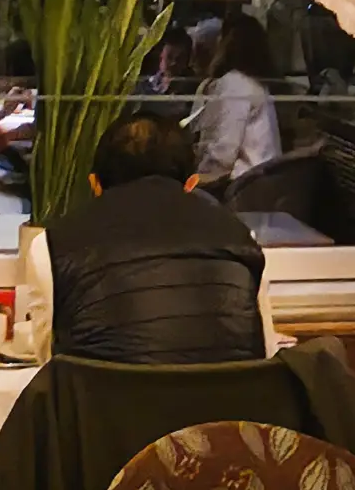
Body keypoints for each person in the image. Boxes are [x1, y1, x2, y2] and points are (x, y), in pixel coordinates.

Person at [44, 112, 268, 363]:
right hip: (234, 400)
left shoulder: (56, 242)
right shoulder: (240, 238)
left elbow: (44, 360)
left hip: (107, 401)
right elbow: (264, 350)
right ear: (190, 185)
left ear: (95, 185)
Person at [186, 14, 282, 187]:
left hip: (243, 187)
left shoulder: (235, 83)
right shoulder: (257, 83)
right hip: (262, 184)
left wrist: (193, 180)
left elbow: (223, 153)